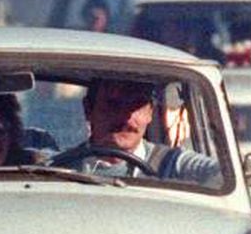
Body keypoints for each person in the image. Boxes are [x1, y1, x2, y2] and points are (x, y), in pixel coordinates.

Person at [49, 78, 222, 186]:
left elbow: (221, 174)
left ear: (150, 113)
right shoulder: (59, 169)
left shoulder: (171, 165)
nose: (126, 118)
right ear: (88, 109)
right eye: (113, 104)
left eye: (137, 105)